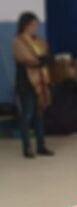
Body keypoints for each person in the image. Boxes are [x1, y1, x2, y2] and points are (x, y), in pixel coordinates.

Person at [12, 11, 53, 158]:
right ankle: (27, 147)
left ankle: (41, 145)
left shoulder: (37, 40)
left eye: (36, 25)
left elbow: (46, 54)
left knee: (39, 115)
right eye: (33, 25)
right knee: (27, 115)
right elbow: (29, 59)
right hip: (26, 82)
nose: (35, 27)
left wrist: (44, 59)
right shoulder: (18, 41)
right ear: (25, 25)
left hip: (39, 82)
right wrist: (41, 60)